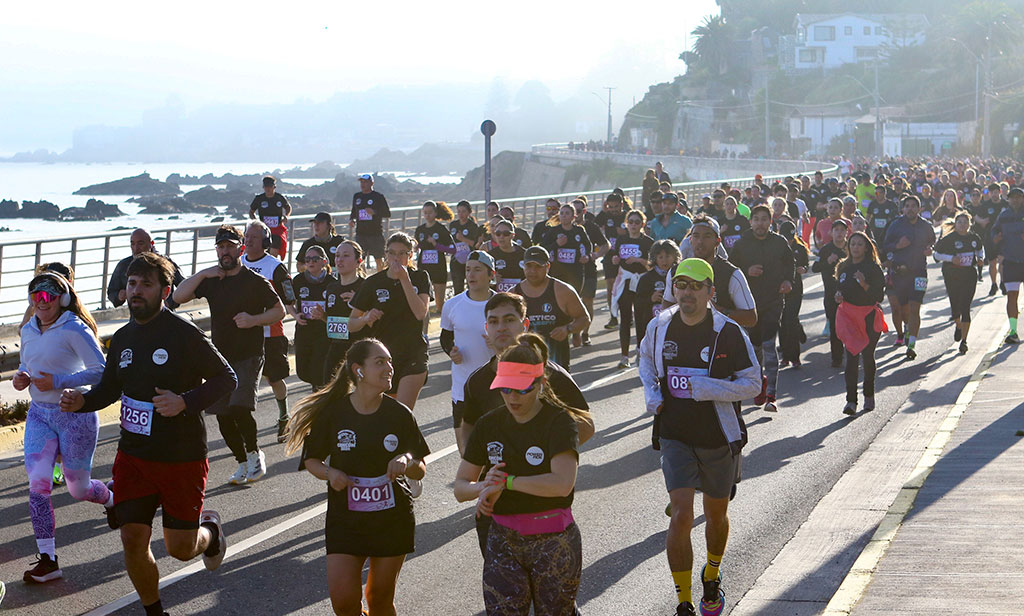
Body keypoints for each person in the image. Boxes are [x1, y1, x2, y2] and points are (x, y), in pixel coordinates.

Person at [60, 252, 236, 616]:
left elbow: (226, 378)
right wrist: (83, 401)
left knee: (181, 549)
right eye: (132, 283)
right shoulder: (122, 338)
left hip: (181, 456)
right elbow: (110, 389)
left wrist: (185, 401)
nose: (136, 290)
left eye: (146, 284)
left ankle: (212, 534)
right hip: (134, 456)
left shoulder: (184, 333)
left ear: (164, 290)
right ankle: (155, 611)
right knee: (132, 538)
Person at [638, 258, 761, 616]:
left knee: (716, 515)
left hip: (718, 437)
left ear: (711, 292)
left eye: (695, 286)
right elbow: (645, 360)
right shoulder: (659, 326)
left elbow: (753, 384)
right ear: (672, 289)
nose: (687, 293)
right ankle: (683, 601)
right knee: (680, 514)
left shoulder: (729, 332)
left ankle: (712, 572)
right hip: (675, 434)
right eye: (680, 285)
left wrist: (706, 387)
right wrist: (652, 394)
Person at [287, 338, 428, 616]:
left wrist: (406, 460)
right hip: (346, 519)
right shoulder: (334, 414)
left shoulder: (399, 414)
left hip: (391, 518)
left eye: (389, 361)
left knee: (378, 600)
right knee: (343, 603)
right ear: (358, 369)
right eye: (380, 362)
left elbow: (420, 466)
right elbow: (312, 461)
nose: (389, 367)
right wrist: (330, 473)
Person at [455, 333, 590, 616]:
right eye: (505, 389)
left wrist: (509, 482)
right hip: (503, 540)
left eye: (521, 390)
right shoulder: (488, 424)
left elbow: (562, 484)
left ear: (540, 384)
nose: (512, 398)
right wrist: (483, 487)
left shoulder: (559, 421)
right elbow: (460, 487)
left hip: (554, 540)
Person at [459, 293, 593, 555]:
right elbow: (468, 428)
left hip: (543, 499)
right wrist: (479, 475)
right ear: (486, 328)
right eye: (494, 321)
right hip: (495, 501)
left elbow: (586, 425)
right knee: (502, 590)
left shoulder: (551, 375)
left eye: (509, 320)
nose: (501, 327)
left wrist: (548, 453)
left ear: (525, 324)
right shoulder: (476, 382)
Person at [14, 271, 110, 583]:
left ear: (63, 299)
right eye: (36, 296)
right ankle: (48, 559)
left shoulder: (74, 328)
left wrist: (59, 382)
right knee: (38, 486)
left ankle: (112, 499)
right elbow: (27, 363)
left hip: (75, 416)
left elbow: (100, 372)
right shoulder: (28, 330)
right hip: (40, 415)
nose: (42, 302)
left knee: (78, 489)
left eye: (49, 296)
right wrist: (21, 376)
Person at [173, 225, 285, 485]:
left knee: (239, 407)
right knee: (222, 414)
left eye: (230, 246)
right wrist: (203, 274)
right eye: (221, 247)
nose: (225, 251)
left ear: (240, 248)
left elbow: (279, 311)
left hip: (249, 354)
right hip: (220, 357)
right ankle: (242, 462)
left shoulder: (254, 281)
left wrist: (254, 320)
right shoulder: (212, 281)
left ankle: (256, 455)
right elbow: (179, 296)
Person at [349, 232, 432, 410]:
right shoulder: (373, 283)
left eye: (402, 253)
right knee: (385, 414)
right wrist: (365, 318)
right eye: (392, 253)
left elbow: (420, 313)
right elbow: (351, 324)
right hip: (383, 358)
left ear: (410, 256)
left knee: (401, 411)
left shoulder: (420, 277)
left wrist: (404, 279)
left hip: (413, 353)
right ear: (386, 254)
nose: (396, 258)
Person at [728, 205, 794, 412]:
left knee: (768, 345)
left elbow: (790, 264)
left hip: (774, 300)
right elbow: (732, 269)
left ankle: (772, 395)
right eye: (756, 219)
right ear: (750, 222)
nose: (760, 223)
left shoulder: (779, 242)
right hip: (749, 304)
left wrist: (787, 281)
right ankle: (759, 386)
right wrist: (747, 271)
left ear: (770, 221)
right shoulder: (742, 244)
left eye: (764, 219)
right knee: (755, 348)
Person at [241, 221, 296, 443]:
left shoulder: (275, 266)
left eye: (254, 237)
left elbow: (289, 297)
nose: (249, 240)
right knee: (244, 380)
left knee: (274, 379)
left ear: (265, 241)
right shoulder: (238, 263)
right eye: (247, 236)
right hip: (243, 333)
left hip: (271, 333)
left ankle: (284, 414)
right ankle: (244, 424)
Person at [440, 251, 497, 452]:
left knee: (495, 450)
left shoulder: (502, 306)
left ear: (491, 275)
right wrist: (451, 352)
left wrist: (499, 344)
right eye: (468, 270)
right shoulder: (452, 305)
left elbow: (519, 341)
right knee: (466, 452)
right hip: (463, 389)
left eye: (477, 270)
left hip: (496, 389)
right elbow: (445, 338)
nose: (471, 275)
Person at [511, 247, 591, 371]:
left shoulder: (563, 290)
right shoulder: (514, 293)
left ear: (547, 267)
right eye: (529, 266)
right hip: (524, 367)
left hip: (556, 366)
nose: (532, 271)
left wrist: (568, 329)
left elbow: (584, 318)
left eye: (538, 266)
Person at [835, 232, 888, 415]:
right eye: (852, 244)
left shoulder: (872, 268)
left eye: (859, 244)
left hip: (868, 317)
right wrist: (838, 296)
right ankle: (851, 401)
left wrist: (864, 283)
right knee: (851, 357)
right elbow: (839, 289)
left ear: (866, 247)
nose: (855, 247)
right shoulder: (843, 267)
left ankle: (869, 395)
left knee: (867, 355)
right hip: (849, 317)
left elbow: (879, 296)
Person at [882, 195, 936, 359]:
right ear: (903, 208)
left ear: (919, 209)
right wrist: (898, 245)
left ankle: (911, 344)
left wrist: (930, 249)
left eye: (914, 206)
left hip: (919, 272)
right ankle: (906, 328)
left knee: (915, 308)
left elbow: (932, 242)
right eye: (907, 206)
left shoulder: (926, 226)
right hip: (900, 273)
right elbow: (885, 246)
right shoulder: (896, 225)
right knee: (902, 309)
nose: (910, 209)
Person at [933, 211, 984, 354]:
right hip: (952, 275)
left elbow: (980, 249)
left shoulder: (974, 238)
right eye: (960, 222)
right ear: (955, 224)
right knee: (956, 308)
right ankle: (958, 325)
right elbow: (936, 255)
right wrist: (951, 259)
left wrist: (980, 259)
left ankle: (964, 341)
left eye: (965, 222)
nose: (963, 225)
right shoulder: (949, 239)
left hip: (969, 275)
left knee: (966, 307)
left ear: (970, 223)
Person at [611, 210, 655, 368]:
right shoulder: (621, 239)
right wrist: (615, 259)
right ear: (626, 223)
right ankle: (624, 356)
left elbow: (652, 265)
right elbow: (615, 257)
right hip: (626, 281)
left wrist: (638, 260)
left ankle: (639, 353)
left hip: (642, 282)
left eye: (637, 222)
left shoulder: (648, 242)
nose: (634, 225)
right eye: (631, 222)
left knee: (641, 319)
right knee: (625, 319)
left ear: (642, 224)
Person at [289, 245, 337, 390]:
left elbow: (336, 311)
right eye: (307, 259)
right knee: (303, 371)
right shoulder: (298, 281)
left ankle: (318, 399)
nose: (310, 262)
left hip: (323, 333)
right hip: (304, 330)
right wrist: (295, 315)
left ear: (324, 261)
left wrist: (324, 316)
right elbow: (288, 303)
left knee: (319, 372)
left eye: (315, 259)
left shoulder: (332, 283)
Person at [320, 240, 367, 385]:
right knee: (329, 390)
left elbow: (375, 318)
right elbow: (334, 321)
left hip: (359, 349)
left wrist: (358, 303)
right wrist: (322, 316)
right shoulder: (331, 288)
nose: (340, 259)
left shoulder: (365, 287)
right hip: (335, 347)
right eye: (337, 255)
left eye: (346, 255)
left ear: (358, 261)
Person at [107, 228, 185, 309]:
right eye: (133, 244)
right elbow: (111, 292)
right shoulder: (124, 265)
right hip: (137, 317)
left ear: (151, 243)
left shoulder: (165, 263)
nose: (136, 248)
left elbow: (184, 285)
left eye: (140, 243)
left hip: (164, 315)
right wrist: (119, 296)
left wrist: (170, 302)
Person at [812, 219, 850, 367]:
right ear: (831, 232)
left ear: (847, 232)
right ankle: (837, 357)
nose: (839, 233)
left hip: (850, 294)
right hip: (831, 294)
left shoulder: (851, 247)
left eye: (842, 230)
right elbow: (815, 267)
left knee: (849, 326)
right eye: (836, 230)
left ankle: (852, 352)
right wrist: (827, 261)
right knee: (835, 327)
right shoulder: (826, 249)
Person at [634, 240, 681, 348]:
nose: (664, 260)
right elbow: (637, 303)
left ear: (675, 256)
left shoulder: (680, 276)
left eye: (668, 256)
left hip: (675, 324)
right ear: (655, 258)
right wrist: (650, 298)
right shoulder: (646, 278)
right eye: (660, 257)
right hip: (652, 324)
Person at [574, 197, 609, 347]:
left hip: (588, 270)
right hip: (569, 272)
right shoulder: (563, 228)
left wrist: (595, 255)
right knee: (572, 304)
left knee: (587, 301)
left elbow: (605, 244)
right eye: (573, 212)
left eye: (579, 211)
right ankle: (574, 332)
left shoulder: (591, 227)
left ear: (585, 211)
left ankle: (585, 333)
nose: (576, 215)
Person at [992, 187, 1024, 344]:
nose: (1016, 200)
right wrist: (996, 238)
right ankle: (1013, 331)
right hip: (1011, 261)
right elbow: (994, 233)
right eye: (1013, 197)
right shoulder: (1003, 216)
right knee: (1012, 297)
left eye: (1019, 197)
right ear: (1009, 199)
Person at [414, 200, 456, 317]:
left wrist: (436, 245)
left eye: (430, 212)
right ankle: (424, 325)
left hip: (438, 268)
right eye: (425, 213)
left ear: (435, 213)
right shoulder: (420, 230)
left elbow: (452, 250)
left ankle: (443, 326)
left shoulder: (441, 229)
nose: (428, 215)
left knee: (439, 304)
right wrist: (416, 247)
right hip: (424, 267)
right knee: (423, 300)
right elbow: (417, 246)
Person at [542, 203, 593, 297]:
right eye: (562, 213)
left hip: (576, 271)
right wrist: (556, 244)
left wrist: (586, 256)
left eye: (567, 213)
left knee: (573, 297)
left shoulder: (579, 231)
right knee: (558, 297)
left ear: (574, 216)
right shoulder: (553, 231)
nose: (564, 215)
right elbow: (543, 248)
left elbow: (588, 245)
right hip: (558, 271)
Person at [778, 221, 809, 368]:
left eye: (790, 237)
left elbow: (806, 265)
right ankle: (785, 355)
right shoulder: (775, 247)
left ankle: (795, 357)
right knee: (782, 323)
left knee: (790, 320)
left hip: (795, 289)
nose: (788, 241)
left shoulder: (800, 248)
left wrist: (803, 269)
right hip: (780, 289)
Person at [596, 193, 628, 330]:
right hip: (610, 255)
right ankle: (613, 316)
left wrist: (625, 233)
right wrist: (603, 210)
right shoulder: (605, 215)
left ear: (621, 205)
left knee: (625, 287)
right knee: (610, 286)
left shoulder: (628, 215)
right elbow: (594, 223)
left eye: (616, 206)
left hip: (625, 255)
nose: (614, 209)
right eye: (611, 207)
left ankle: (627, 315)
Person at [349, 173, 391, 270]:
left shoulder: (378, 196)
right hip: (361, 233)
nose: (363, 184)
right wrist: (352, 219)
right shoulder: (357, 196)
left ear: (372, 183)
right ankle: (362, 279)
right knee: (359, 259)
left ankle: (380, 278)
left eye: (365, 182)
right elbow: (354, 211)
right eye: (361, 182)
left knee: (379, 258)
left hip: (375, 233)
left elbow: (387, 213)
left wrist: (374, 212)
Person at [249, 176, 292, 260]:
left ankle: (271, 269)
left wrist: (286, 216)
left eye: (270, 187)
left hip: (277, 229)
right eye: (266, 187)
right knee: (263, 252)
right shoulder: (259, 199)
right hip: (264, 230)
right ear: (263, 187)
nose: (268, 189)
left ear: (274, 187)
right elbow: (251, 211)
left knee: (273, 254)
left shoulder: (279, 198)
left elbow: (288, 207)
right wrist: (256, 222)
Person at [450, 200, 484, 295]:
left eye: (464, 211)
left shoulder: (473, 226)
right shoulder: (453, 225)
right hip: (456, 260)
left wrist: (463, 239)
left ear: (469, 212)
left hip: (469, 260)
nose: (461, 214)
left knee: (471, 287)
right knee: (457, 288)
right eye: (459, 211)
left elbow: (475, 244)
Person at [488, 219, 527, 293]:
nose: (501, 237)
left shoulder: (524, 254)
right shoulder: (490, 256)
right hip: (498, 298)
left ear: (513, 235)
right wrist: (492, 280)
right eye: (498, 233)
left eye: (506, 233)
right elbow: (483, 281)